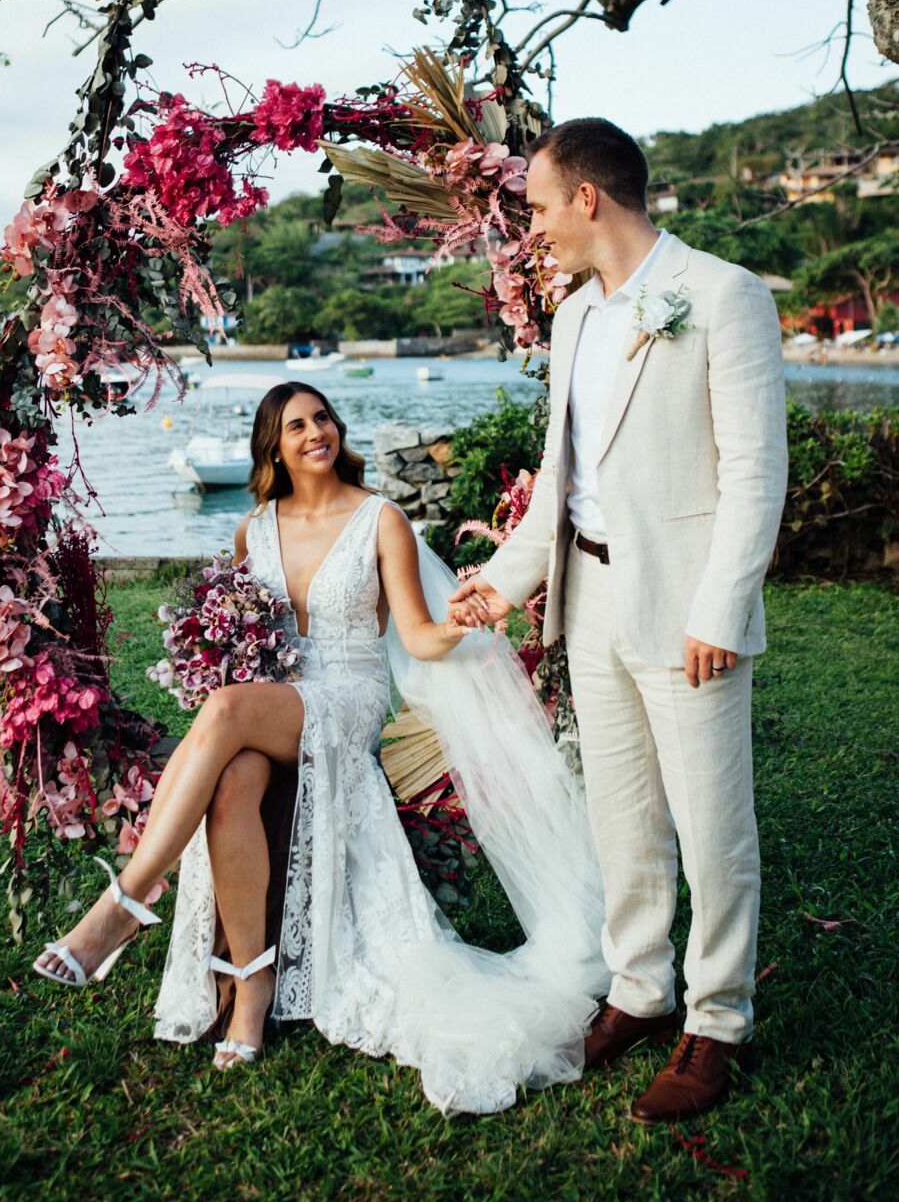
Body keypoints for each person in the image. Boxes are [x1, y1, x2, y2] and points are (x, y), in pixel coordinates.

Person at [34, 383, 606, 1115]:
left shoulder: (380, 519)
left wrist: (465, 622)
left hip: (347, 700)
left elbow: (416, 634)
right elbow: (247, 632)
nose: (316, 433)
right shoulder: (253, 530)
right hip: (277, 703)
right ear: (273, 446)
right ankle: (252, 991)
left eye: (323, 418)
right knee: (234, 779)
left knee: (226, 709)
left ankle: (126, 899)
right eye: (297, 425)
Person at [451, 118, 787, 1124]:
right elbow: (563, 478)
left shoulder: (721, 295)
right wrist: (504, 582)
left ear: (586, 198)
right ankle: (640, 991)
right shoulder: (572, 320)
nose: (534, 228)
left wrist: (720, 607)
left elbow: (754, 473)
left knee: (710, 825)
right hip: (589, 600)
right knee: (621, 814)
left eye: (540, 207)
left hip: (688, 606)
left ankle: (717, 1020)